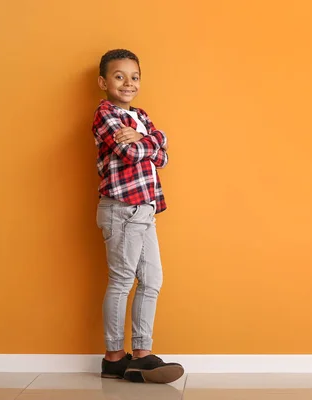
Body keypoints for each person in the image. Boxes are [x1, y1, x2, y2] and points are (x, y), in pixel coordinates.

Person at [91, 49, 183, 384]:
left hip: (144, 209)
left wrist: (147, 138)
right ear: (103, 81)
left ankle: (142, 353)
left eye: (134, 77)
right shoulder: (104, 114)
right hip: (121, 208)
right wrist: (151, 144)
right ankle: (114, 356)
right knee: (122, 280)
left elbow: (165, 154)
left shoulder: (141, 116)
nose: (128, 83)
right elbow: (131, 153)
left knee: (152, 280)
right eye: (119, 76)